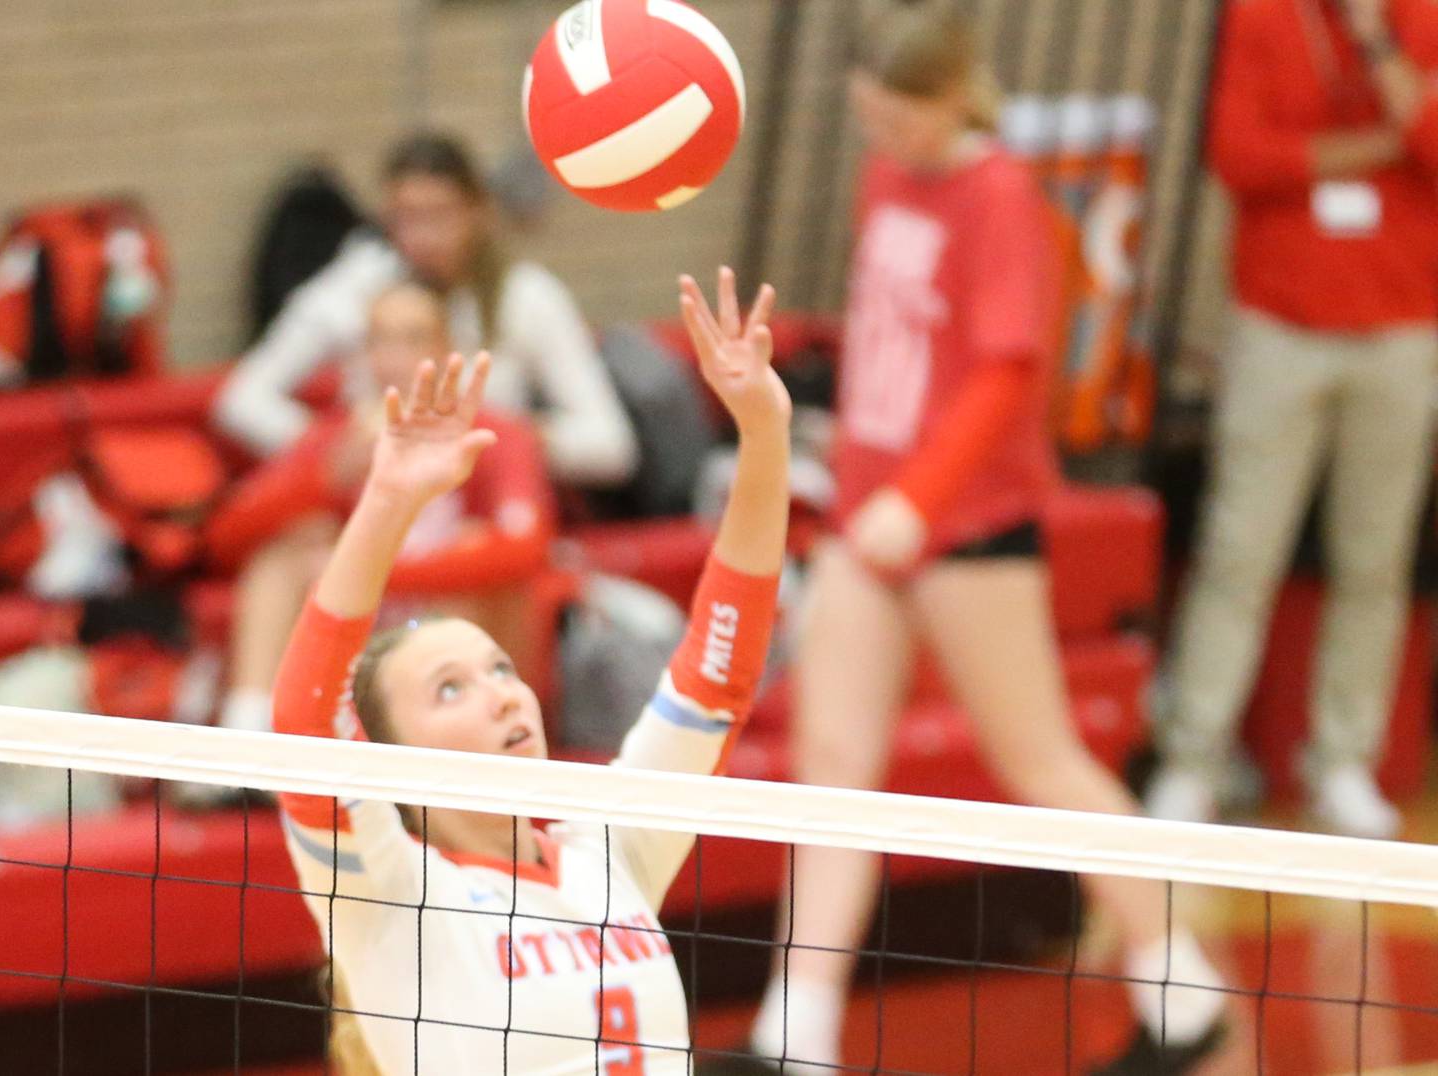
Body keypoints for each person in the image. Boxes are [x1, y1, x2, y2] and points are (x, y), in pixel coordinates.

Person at [744, 8, 1226, 1074]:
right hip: (870, 525)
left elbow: (1010, 370)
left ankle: (1183, 990)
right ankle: (797, 1030)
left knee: (1042, 757)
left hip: (966, 525)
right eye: (871, 115)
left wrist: (920, 495)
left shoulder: (1001, 195)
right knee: (831, 765)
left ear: (954, 98)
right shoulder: (886, 177)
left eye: (903, 117)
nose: (888, 136)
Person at [274, 268, 789, 1074]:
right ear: (389, 758)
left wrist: (763, 437)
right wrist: (388, 502)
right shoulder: (389, 893)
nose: (502, 694)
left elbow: (715, 678)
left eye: (499, 668)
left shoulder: (609, 852)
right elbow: (306, 722)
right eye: (450, 688)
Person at [1147, 0, 1438, 839]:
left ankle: (1342, 762)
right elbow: (1237, 153)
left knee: (1374, 560)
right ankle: (1193, 759)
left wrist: (1377, 40)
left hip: (1401, 328)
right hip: (1278, 326)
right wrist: (1368, 145)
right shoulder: (1261, 14)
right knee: (1241, 551)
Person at [205, 281, 554, 741]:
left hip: (450, 623)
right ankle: (247, 735)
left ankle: (469, 745)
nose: (394, 357)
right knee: (284, 557)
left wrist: (369, 571)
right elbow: (224, 535)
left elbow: (524, 549)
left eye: (412, 338)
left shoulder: (497, 433)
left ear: (447, 347)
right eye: (379, 340)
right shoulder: (342, 437)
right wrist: (326, 479)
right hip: (367, 626)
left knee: (479, 564)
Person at [214, 131, 638, 490]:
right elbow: (242, 398)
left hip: (478, 499)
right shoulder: (355, 286)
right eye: (407, 218)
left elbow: (609, 445)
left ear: (477, 212)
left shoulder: (528, 297)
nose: (424, 237)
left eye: (440, 215)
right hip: (381, 503)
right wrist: (336, 451)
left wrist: (491, 440)